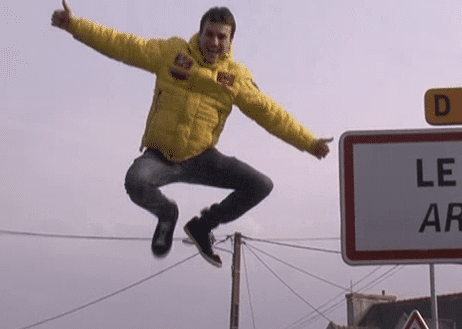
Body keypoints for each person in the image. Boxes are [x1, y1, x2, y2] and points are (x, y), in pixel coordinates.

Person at [51, 1, 332, 267]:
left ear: (231, 41)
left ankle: (202, 226)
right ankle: (166, 214)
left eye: (222, 37)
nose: (213, 43)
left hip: (202, 158)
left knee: (260, 185)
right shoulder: (172, 53)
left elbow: (271, 114)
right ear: (200, 32)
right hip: (160, 157)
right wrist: (75, 26)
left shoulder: (236, 78)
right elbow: (123, 45)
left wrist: (309, 141)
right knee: (135, 181)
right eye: (209, 34)